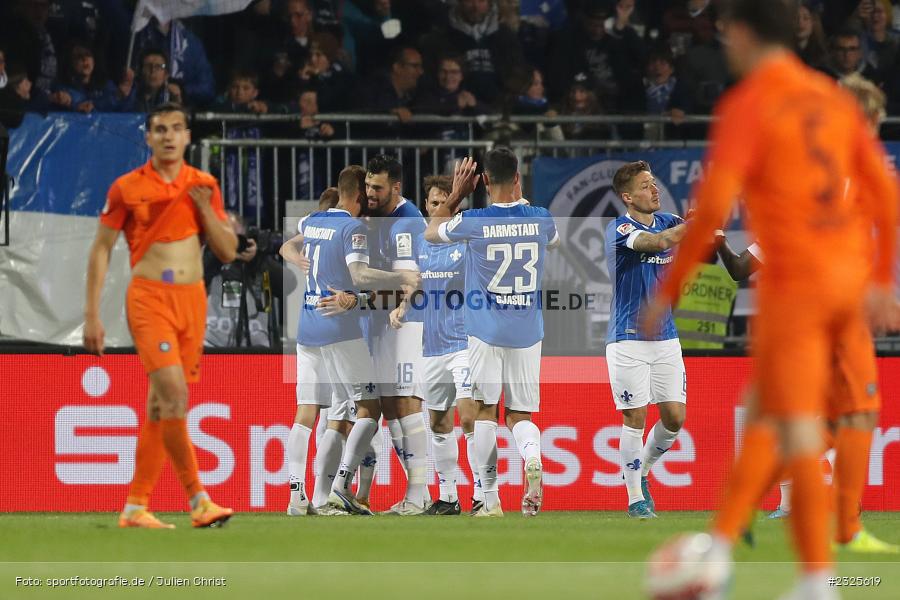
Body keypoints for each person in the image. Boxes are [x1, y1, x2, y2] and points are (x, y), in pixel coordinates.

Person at [641, 1, 899, 597]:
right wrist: (883, 277)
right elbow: (885, 189)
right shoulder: (832, 98)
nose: (724, 42)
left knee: (797, 428)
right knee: (770, 414)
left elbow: (712, 209)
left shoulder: (749, 103)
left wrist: (670, 287)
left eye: (728, 32)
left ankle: (813, 578)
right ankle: (725, 544)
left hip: (796, 289)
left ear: (748, 34)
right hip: (845, 286)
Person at [710, 73, 898, 554]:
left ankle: (747, 510)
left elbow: (746, 264)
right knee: (849, 412)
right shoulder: (840, 170)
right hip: (820, 310)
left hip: (815, 310)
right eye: (873, 123)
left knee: (832, 418)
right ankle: (844, 529)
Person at [83, 102, 238, 529]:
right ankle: (199, 500)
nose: (168, 136)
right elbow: (100, 249)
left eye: (176, 128)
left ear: (188, 136)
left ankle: (135, 506)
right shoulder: (127, 188)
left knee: (159, 404)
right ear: (148, 137)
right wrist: (91, 314)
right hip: (149, 299)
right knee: (173, 395)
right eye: (159, 129)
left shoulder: (203, 184)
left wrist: (205, 209)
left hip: (192, 300)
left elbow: (227, 251)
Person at [425, 148, 560, 518]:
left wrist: (455, 195)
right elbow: (554, 241)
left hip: (485, 331)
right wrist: (524, 204)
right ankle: (532, 458)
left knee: (485, 411)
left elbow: (431, 232)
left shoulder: (473, 219)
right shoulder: (541, 218)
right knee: (521, 416)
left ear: (483, 181)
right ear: (518, 178)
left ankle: (489, 498)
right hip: (528, 332)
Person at [279, 164, 416, 516]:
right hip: (340, 329)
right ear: (358, 196)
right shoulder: (351, 227)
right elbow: (359, 274)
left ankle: (298, 495)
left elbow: (285, 247)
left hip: (306, 329)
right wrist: (399, 276)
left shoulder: (313, 221)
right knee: (370, 407)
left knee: (306, 413)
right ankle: (340, 487)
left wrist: (299, 260)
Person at [388, 175, 483, 516]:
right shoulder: (423, 243)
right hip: (432, 344)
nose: (436, 207)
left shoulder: (469, 240)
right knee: (439, 422)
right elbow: (417, 282)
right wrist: (402, 306)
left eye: (444, 201)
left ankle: (484, 493)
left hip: (464, 342)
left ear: (455, 206)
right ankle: (448, 496)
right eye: (432, 202)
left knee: (471, 417)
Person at [603, 161, 688, 520]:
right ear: (628, 196)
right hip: (628, 339)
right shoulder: (620, 228)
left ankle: (645, 468)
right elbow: (659, 242)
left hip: (666, 337)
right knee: (635, 417)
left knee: (674, 418)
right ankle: (635, 498)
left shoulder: (670, 220)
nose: (654, 190)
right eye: (645, 186)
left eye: (654, 183)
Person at [351, 154, 431, 516]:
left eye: (377, 187)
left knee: (406, 402)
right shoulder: (377, 218)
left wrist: (390, 307)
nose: (369, 192)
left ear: (395, 187)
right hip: (383, 321)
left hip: (407, 321)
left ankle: (419, 493)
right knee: (390, 406)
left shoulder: (406, 222)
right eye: (367, 185)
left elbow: (408, 281)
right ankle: (419, 494)